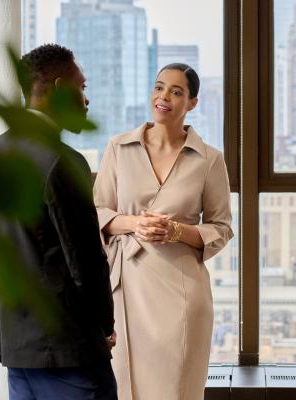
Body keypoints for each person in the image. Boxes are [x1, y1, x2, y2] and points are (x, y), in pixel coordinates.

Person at [0, 44, 117, 400]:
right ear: (59, 88)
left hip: (18, 347)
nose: (86, 100)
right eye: (82, 87)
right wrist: (105, 323)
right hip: (67, 349)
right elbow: (85, 260)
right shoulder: (62, 162)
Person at [93, 63, 233, 400]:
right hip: (128, 287)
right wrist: (134, 224)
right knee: (126, 387)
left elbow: (221, 228)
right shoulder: (118, 148)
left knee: (177, 390)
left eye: (176, 91)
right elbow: (95, 212)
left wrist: (175, 231)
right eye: (159, 87)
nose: (164, 96)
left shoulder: (209, 159)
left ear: (193, 103)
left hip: (182, 291)